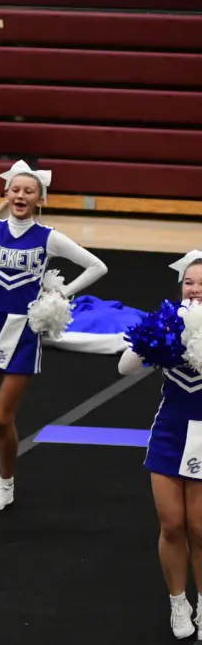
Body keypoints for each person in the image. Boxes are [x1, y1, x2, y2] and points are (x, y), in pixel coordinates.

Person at [0, 160, 108, 512]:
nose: (21, 196)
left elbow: (97, 266)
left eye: (29, 191)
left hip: (24, 332)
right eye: (16, 190)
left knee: (2, 418)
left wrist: (60, 294)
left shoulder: (48, 237)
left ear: (40, 199)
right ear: (6, 193)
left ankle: (6, 486)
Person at [120, 250, 202, 639]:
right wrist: (154, 335)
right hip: (170, 431)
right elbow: (125, 367)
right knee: (171, 526)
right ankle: (178, 602)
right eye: (189, 282)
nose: (195, 289)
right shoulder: (168, 324)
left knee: (200, 529)